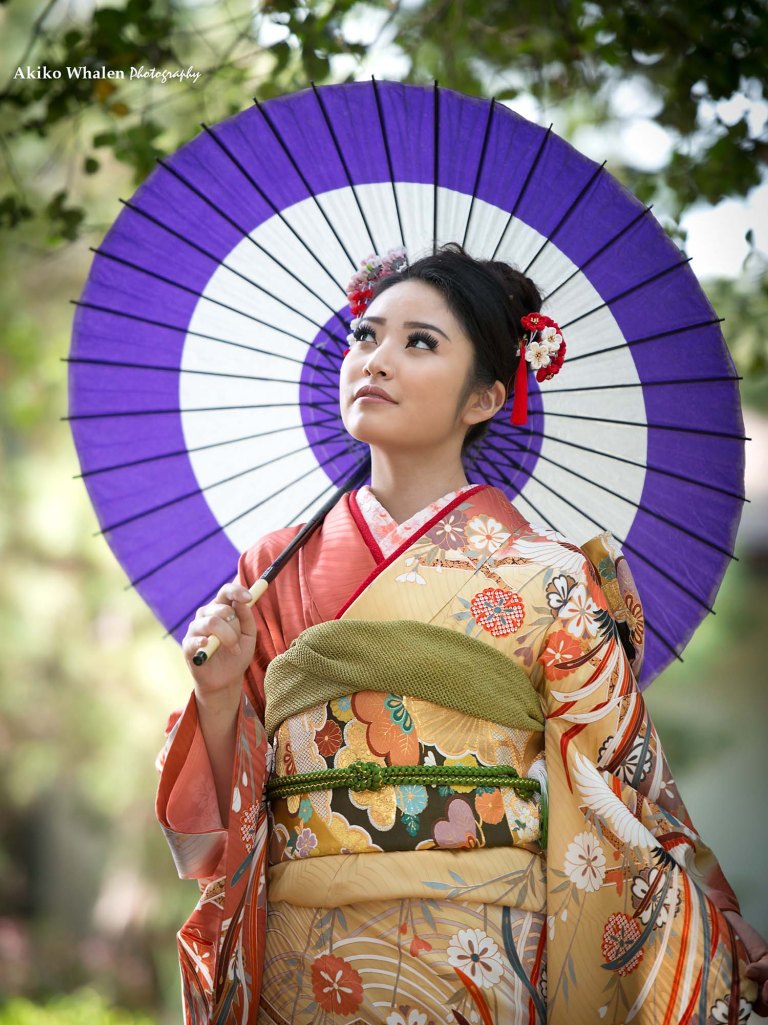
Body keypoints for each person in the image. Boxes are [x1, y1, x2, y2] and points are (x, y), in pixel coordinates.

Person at [155, 244, 768, 1024]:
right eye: (365, 336)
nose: (375, 359)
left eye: (419, 342)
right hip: (302, 959)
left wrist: (719, 927)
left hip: (484, 954)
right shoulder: (273, 567)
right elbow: (214, 836)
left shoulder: (554, 577)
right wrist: (215, 693)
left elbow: (621, 788)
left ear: (483, 396)